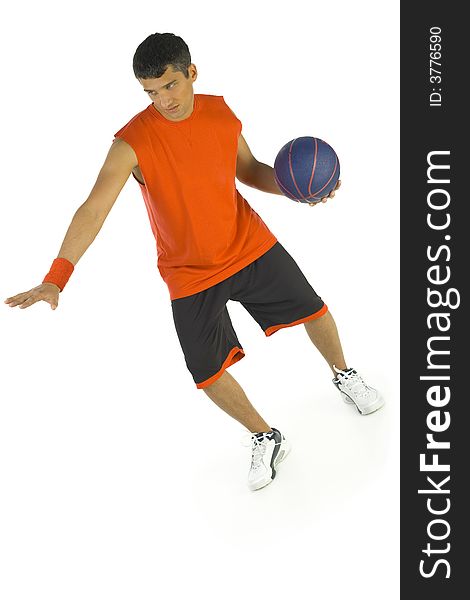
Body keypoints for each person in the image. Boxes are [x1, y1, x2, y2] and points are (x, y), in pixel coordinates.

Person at [4, 32, 384, 491]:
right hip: (188, 272)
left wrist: (299, 189)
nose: (162, 100)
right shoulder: (131, 142)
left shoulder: (221, 113)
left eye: (169, 86)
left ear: (191, 73)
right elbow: (93, 208)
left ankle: (344, 375)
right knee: (205, 372)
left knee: (314, 308)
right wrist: (56, 278)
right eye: (150, 92)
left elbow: (249, 170)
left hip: (248, 245)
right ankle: (266, 436)